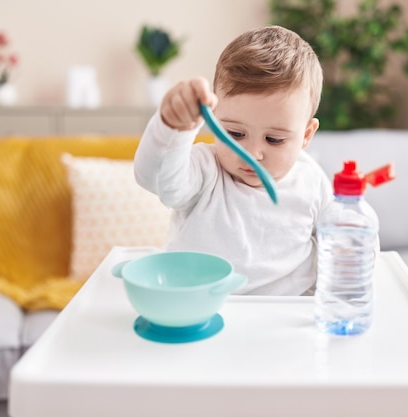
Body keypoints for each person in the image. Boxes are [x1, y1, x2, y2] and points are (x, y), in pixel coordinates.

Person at [134, 25, 332, 295]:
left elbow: (338, 246)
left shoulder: (312, 180)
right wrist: (171, 126)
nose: (252, 153)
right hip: (204, 309)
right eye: (235, 134)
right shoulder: (205, 170)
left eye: (274, 139)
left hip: (288, 317)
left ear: (306, 135)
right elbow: (154, 178)